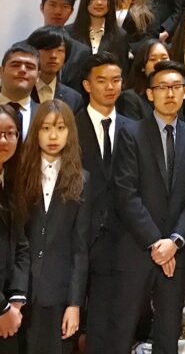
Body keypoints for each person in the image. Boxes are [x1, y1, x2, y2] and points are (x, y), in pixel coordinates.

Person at [111, 60, 185, 354]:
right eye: (162, 87)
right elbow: (126, 193)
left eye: (176, 87)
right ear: (150, 94)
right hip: (137, 248)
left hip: (177, 252)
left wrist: (174, 241)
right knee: (123, 329)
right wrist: (155, 242)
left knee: (168, 332)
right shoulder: (130, 133)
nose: (170, 94)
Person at [17, 99, 89, 354]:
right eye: (46, 128)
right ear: (35, 132)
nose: (53, 135)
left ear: (70, 132)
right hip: (19, 294)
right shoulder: (19, 175)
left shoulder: (82, 180)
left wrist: (74, 304)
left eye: (60, 128)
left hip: (58, 295)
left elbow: (80, 249)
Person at [75, 52, 134, 354]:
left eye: (115, 80)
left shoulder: (133, 129)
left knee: (115, 323)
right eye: (101, 81)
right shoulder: (70, 128)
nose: (110, 87)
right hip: (78, 238)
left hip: (123, 240)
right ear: (87, 85)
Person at [0, 104, 29, 350]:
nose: (5, 140)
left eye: (11, 133)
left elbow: (21, 244)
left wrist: (16, 299)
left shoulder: (11, 183)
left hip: (9, 309)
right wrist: (2, 308)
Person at [66, 0, 129, 72]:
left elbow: (123, 71)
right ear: (86, 0)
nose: (99, 2)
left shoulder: (120, 35)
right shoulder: (68, 32)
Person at [40, 0, 90, 90]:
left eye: (65, 6)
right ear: (41, 7)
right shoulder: (26, 46)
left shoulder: (82, 52)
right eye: (53, 5)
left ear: (71, 11)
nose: (58, 11)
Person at [26, 27, 83, 113]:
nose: (53, 55)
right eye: (47, 49)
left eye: (60, 50)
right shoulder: (21, 91)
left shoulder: (74, 98)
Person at [117, 38, 169, 120]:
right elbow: (132, 131)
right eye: (152, 59)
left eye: (164, 58)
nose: (160, 63)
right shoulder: (130, 98)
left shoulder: (174, 95)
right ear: (142, 66)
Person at [0, 42, 42, 140]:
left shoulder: (45, 115)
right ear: (1, 72)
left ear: (38, 76)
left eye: (30, 67)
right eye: (15, 65)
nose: (22, 70)